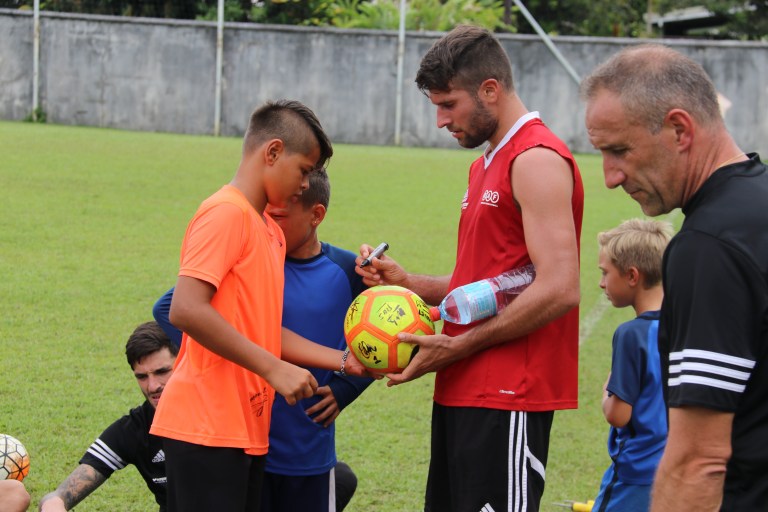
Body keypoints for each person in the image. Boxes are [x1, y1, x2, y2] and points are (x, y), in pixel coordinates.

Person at [357, 25, 583, 511]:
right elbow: (485, 282)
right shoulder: (484, 165)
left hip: (508, 395)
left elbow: (561, 287)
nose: (440, 120)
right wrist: (409, 283)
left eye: (448, 104)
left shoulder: (536, 159)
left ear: (490, 90)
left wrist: (458, 345)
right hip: (461, 387)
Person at [149, 100, 367, 512]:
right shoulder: (225, 213)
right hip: (205, 430)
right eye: (304, 170)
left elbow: (264, 331)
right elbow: (185, 309)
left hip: (247, 430)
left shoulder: (270, 231)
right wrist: (272, 368)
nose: (306, 184)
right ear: (272, 153)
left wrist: (342, 361)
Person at [582, 44, 768, 511]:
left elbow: (697, 461)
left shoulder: (708, 248)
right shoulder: (758, 200)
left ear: (679, 130)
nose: (609, 176)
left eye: (619, 150)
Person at [39, 321, 178, 512]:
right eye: (142, 377)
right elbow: (60, 494)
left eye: (162, 372)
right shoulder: (135, 428)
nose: (152, 386)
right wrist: (54, 503)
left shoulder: (220, 414)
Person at [592, 219, 672, 512]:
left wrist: (606, 392)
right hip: (678, 468)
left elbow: (618, 414)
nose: (601, 283)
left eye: (605, 273)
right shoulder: (688, 324)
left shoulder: (631, 335)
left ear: (632, 275)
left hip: (636, 473)